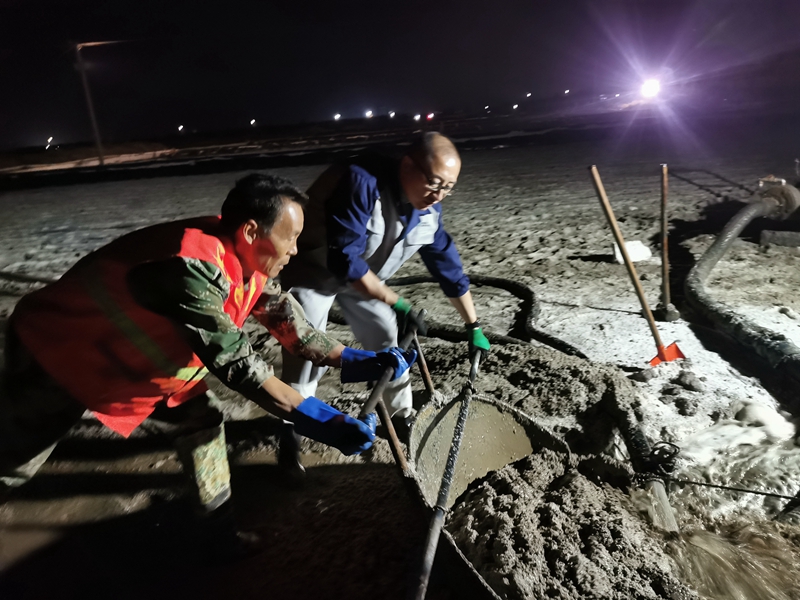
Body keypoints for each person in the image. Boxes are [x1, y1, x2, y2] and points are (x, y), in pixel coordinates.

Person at [0, 173, 416, 556]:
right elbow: (239, 366)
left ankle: (219, 536)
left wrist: (357, 360)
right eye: (290, 238)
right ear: (251, 231)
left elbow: (289, 325)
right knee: (14, 460)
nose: (295, 249)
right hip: (60, 348)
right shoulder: (191, 267)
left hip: (133, 361)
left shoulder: (247, 257)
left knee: (202, 422)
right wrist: (323, 420)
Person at [280, 132, 491, 447]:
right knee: (305, 356)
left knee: (386, 337)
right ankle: (291, 436)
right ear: (407, 165)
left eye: (448, 187)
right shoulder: (360, 182)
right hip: (314, 273)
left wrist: (473, 325)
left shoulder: (429, 208)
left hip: (365, 280)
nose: (439, 195)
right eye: (434, 182)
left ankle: (402, 418)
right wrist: (399, 303)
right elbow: (345, 259)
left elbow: (447, 267)